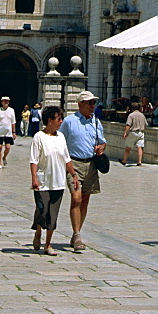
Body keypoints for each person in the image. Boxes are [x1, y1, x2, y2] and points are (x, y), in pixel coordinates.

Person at [59, 90, 106, 252]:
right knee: (76, 198)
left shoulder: (96, 122)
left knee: (85, 199)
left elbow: (102, 141)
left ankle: (76, 232)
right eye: (89, 103)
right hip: (74, 164)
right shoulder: (69, 121)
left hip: (91, 164)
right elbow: (60, 141)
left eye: (94, 103)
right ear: (80, 104)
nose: (93, 106)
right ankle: (77, 234)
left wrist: (101, 148)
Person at [29, 105, 79, 255]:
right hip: (43, 181)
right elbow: (34, 160)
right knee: (42, 210)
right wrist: (34, 178)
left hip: (58, 182)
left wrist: (74, 175)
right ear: (50, 120)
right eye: (59, 119)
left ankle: (48, 245)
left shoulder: (61, 137)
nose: (61, 121)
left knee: (53, 214)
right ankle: (38, 232)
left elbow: (66, 159)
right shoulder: (39, 137)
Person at [0, 95, 16, 168]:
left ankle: (4, 157)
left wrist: (14, 132)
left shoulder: (11, 110)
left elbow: (13, 122)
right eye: (4, 101)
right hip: (0, 131)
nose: (6, 102)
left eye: (7, 101)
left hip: (8, 132)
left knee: (8, 147)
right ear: (1, 102)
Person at [120, 102, 147, 166]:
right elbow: (146, 124)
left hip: (133, 132)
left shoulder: (131, 115)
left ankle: (124, 160)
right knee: (139, 147)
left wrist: (125, 132)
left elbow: (128, 124)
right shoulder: (142, 115)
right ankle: (139, 161)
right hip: (141, 132)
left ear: (132, 108)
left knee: (128, 147)